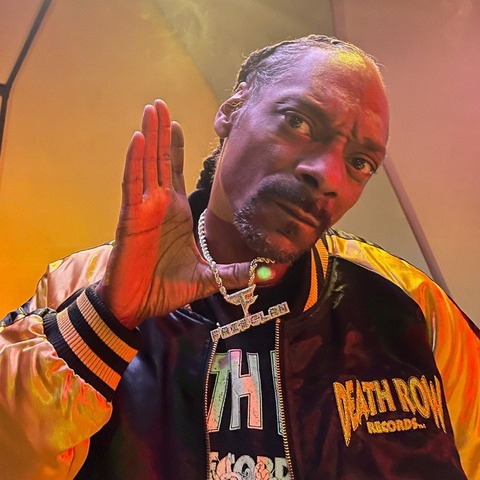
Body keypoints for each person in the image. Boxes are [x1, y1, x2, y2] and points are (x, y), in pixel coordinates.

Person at [0, 35, 478, 480]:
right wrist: (107, 319)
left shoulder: (410, 307)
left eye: (359, 162)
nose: (328, 176)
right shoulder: (83, 285)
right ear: (232, 108)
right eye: (299, 122)